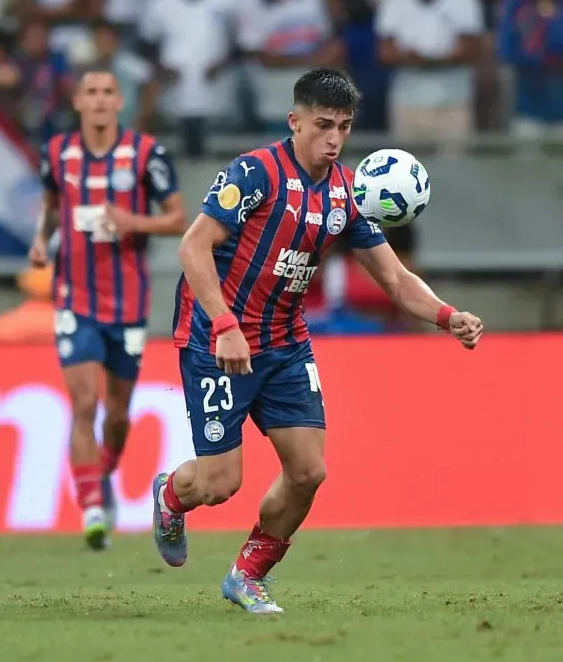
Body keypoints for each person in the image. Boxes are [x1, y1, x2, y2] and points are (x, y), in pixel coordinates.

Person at [153, 67, 483, 613]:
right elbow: (193, 248)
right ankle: (170, 495)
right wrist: (226, 325)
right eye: (324, 125)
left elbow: (395, 278)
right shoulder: (254, 173)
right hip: (219, 343)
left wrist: (447, 316)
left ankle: (247, 574)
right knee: (218, 483)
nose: (334, 139)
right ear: (295, 121)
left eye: (345, 127)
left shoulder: (346, 194)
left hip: (285, 342)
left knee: (309, 472)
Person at [29, 68, 187, 550]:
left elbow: (180, 218)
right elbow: (53, 206)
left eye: (107, 93)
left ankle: (103, 475)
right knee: (83, 403)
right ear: (77, 101)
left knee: (117, 414)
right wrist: (41, 240)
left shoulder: (145, 154)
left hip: (129, 302)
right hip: (74, 297)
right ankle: (92, 507)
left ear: (119, 101)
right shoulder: (57, 153)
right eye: (90, 93)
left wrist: (130, 221)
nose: (99, 100)